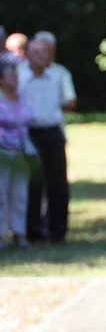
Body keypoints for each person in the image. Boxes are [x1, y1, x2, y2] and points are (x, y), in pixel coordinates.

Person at [18, 39, 70, 244]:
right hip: (30, 132)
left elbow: (65, 103)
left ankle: (58, 231)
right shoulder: (21, 78)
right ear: (28, 55)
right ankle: (34, 231)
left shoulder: (56, 77)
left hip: (53, 132)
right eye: (36, 52)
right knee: (33, 183)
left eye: (44, 52)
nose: (41, 56)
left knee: (58, 183)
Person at [0, 58, 32, 249]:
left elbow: (26, 117)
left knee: (20, 194)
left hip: (21, 152)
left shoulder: (21, 97)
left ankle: (19, 234)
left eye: (16, 75)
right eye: (11, 76)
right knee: (0, 195)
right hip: (3, 153)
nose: (15, 79)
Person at [29, 32, 76, 114]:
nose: (43, 55)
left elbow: (71, 102)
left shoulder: (62, 72)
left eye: (49, 50)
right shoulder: (19, 71)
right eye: (40, 51)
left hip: (53, 124)